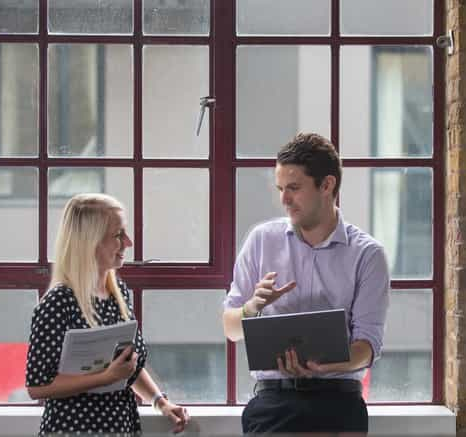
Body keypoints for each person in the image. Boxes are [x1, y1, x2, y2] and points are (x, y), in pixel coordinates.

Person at [222, 133, 390, 434]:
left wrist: (328, 365)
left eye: (294, 189)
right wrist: (252, 307)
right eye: (281, 189)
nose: (284, 200)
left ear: (327, 185)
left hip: (338, 402)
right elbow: (231, 330)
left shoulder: (367, 255)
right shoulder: (261, 241)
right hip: (273, 400)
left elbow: (367, 347)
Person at [25, 193, 190, 435]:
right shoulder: (58, 302)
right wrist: (105, 377)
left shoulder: (118, 292)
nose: (129, 243)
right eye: (118, 235)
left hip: (120, 426)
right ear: (90, 241)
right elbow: (37, 386)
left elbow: (127, 365)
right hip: (73, 430)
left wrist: (160, 402)